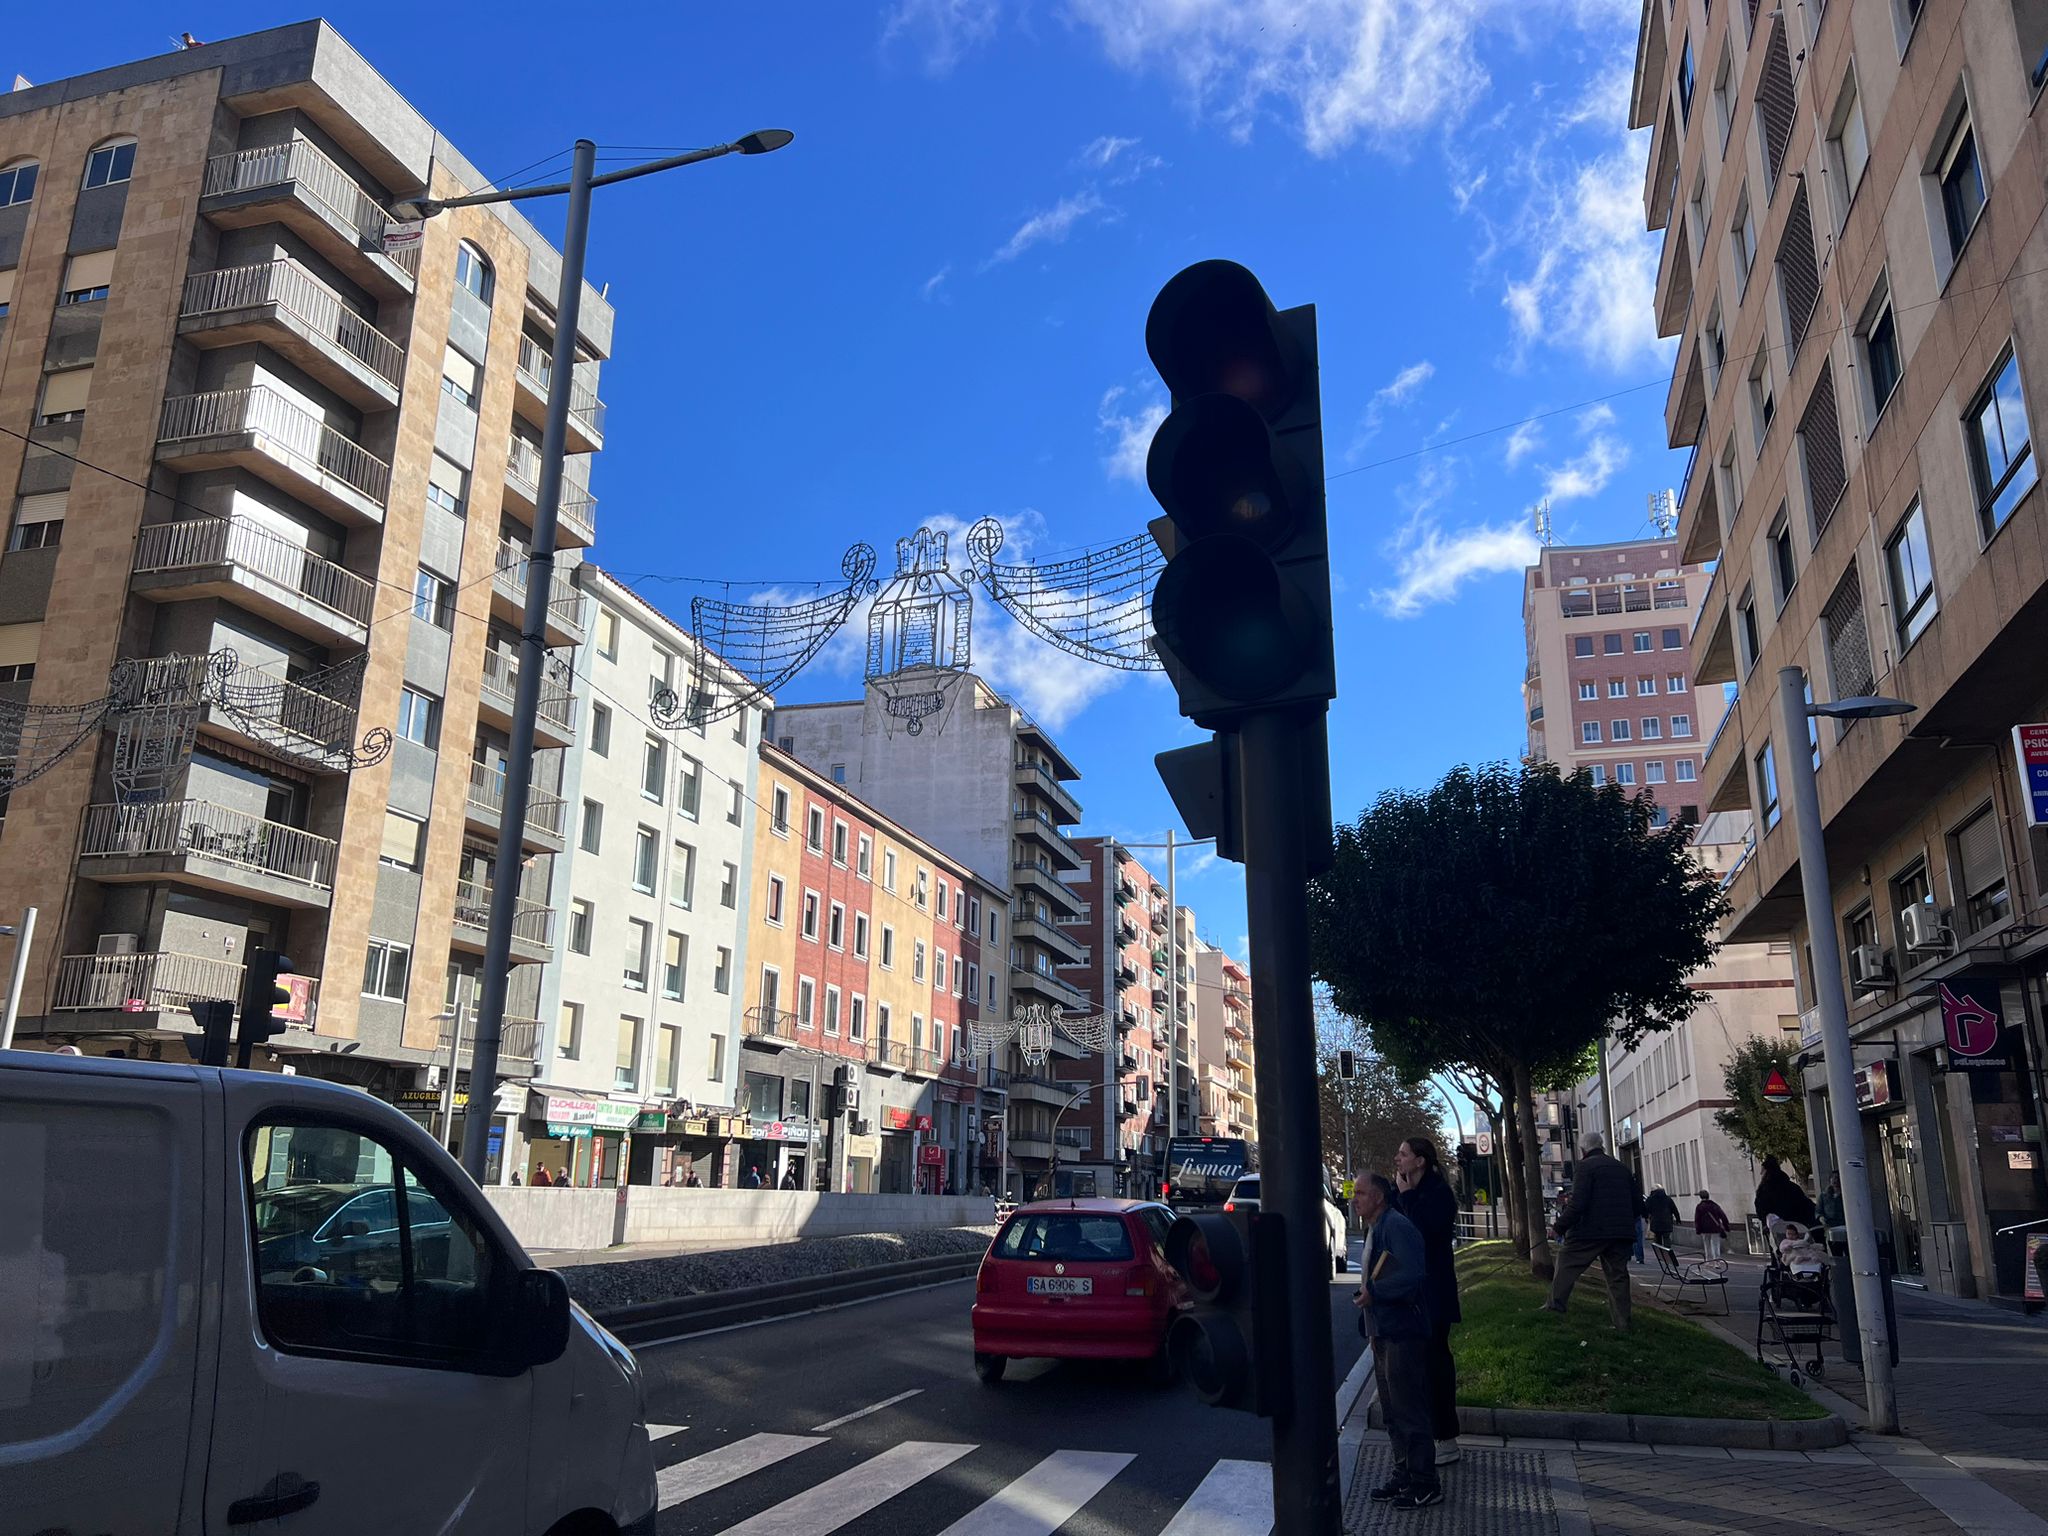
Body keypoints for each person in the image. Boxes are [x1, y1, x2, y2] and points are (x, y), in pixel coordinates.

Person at [1352, 1173, 1442, 1511]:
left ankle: (1425, 1482)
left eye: (1361, 1192)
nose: (1354, 1198)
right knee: (1392, 1412)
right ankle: (1405, 1474)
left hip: (1403, 1332)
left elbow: (1411, 1274)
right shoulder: (1376, 1227)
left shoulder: (1397, 1226)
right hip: (1384, 1331)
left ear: (1378, 1196)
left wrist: (1374, 1293)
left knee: (1408, 1410)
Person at [1393, 1135, 1462, 1465]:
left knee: (1435, 1362)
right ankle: (1427, 1436)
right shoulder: (1409, 1192)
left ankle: (1446, 1436)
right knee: (1417, 1366)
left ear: (1420, 1161)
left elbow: (1421, 1231)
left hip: (1434, 1291)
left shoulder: (1437, 1194)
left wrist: (1406, 1196)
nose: (1399, 1159)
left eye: (1404, 1154)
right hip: (1414, 1292)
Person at [1540, 1131, 1642, 1330]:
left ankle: (1555, 1305)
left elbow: (1578, 1203)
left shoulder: (1585, 1167)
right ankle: (1622, 1323)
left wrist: (1559, 1227)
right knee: (1618, 1276)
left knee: (1567, 1262)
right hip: (1620, 1232)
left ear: (1583, 1150)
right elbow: (1638, 1203)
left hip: (1591, 1231)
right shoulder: (1621, 1167)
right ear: (1601, 1146)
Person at [1754, 1156, 1818, 1228]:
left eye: (1762, 1171)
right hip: (1800, 1225)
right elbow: (1805, 1204)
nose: (1760, 1173)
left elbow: (1760, 1210)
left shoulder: (1764, 1191)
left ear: (1766, 1171)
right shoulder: (1791, 1187)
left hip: (1780, 1229)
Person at [1693, 1189, 1731, 1260]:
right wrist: (1726, 1226)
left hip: (1704, 1229)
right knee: (1715, 1244)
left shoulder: (1699, 1207)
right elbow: (1723, 1216)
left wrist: (1698, 1229)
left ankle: (1708, 1260)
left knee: (1707, 1245)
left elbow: (1697, 1219)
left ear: (1700, 1197)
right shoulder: (1714, 1205)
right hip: (1715, 1228)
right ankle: (1717, 1260)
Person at [1816, 1170, 1847, 1253]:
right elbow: (1818, 1211)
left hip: (1845, 1227)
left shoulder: (1846, 1194)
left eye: (1837, 1178)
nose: (1835, 1180)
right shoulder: (1824, 1196)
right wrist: (1821, 1218)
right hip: (1831, 1228)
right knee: (1836, 1253)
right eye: (1833, 1178)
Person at [1644, 1184, 1679, 1252]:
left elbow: (1646, 1210)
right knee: (1666, 1238)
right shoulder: (1668, 1198)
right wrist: (1678, 1218)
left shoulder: (1650, 1199)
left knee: (1657, 1238)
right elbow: (1674, 1209)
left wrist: (1646, 1217)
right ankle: (1668, 1252)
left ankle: (1660, 1253)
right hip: (1667, 1221)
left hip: (1656, 1222)